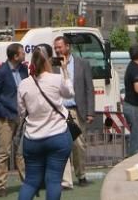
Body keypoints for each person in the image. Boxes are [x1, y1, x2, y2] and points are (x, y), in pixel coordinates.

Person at [17, 46, 73, 200]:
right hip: (58, 135)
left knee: (30, 181)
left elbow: (21, 112)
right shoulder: (56, 79)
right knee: (54, 180)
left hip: (33, 138)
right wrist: (65, 71)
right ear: (48, 61)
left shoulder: (24, 84)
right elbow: (70, 93)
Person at [0, 42, 28, 197]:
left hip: (21, 116)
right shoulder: (1, 72)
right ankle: (2, 186)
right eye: (22, 53)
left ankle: (27, 182)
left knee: (21, 152)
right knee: (4, 152)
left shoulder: (23, 70)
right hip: (5, 119)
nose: (24, 55)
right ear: (15, 56)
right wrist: (3, 112)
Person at [53, 36, 94, 189]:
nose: (57, 50)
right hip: (59, 111)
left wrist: (90, 111)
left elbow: (89, 88)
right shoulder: (52, 65)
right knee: (60, 145)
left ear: (67, 46)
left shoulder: (82, 63)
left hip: (77, 111)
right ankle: (65, 180)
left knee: (79, 145)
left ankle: (81, 174)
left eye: (60, 47)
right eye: (55, 47)